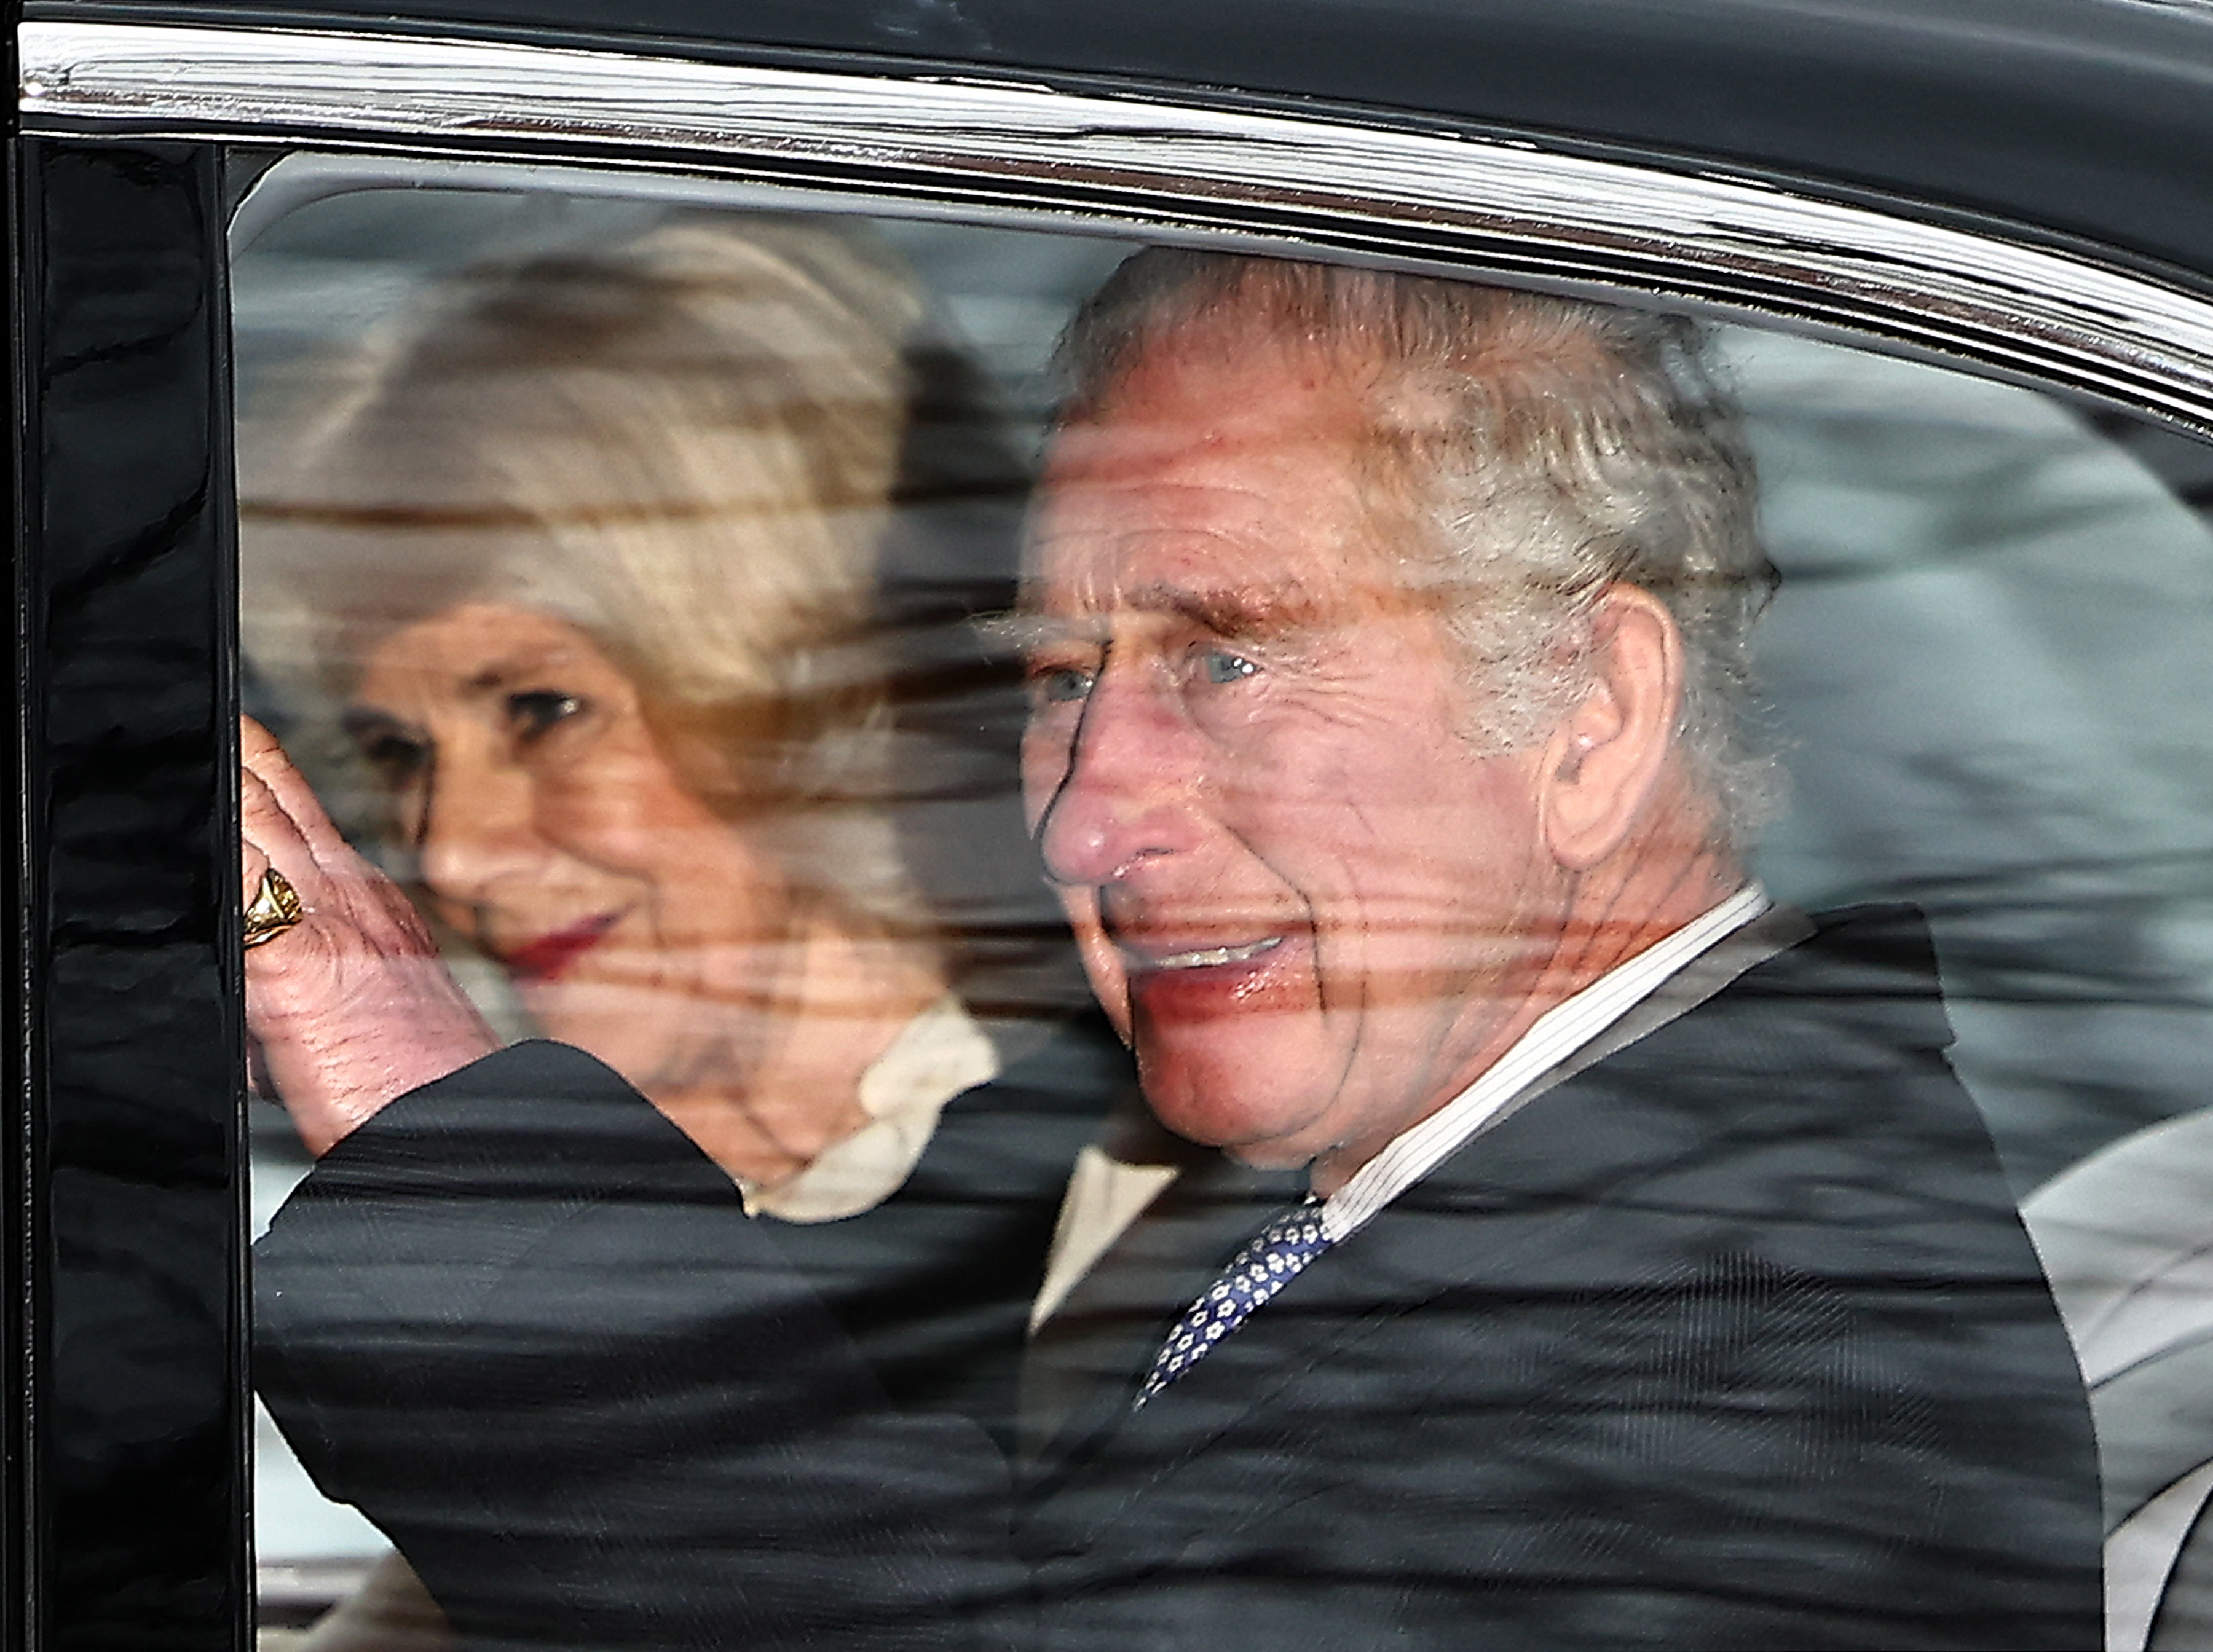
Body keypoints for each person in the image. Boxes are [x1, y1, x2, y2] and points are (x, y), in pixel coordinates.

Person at [254, 246, 2104, 1650]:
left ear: (1594, 715)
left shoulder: (1729, 1380)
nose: (1079, 817)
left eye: (1227, 654)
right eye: (1062, 681)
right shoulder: (1458, 1228)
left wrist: (445, 1136)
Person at [240, 216, 1121, 1648]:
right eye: (399, 751)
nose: (452, 849)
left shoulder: (1123, 1232)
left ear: (796, 686)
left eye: (542, 711)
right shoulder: (683, 1209)